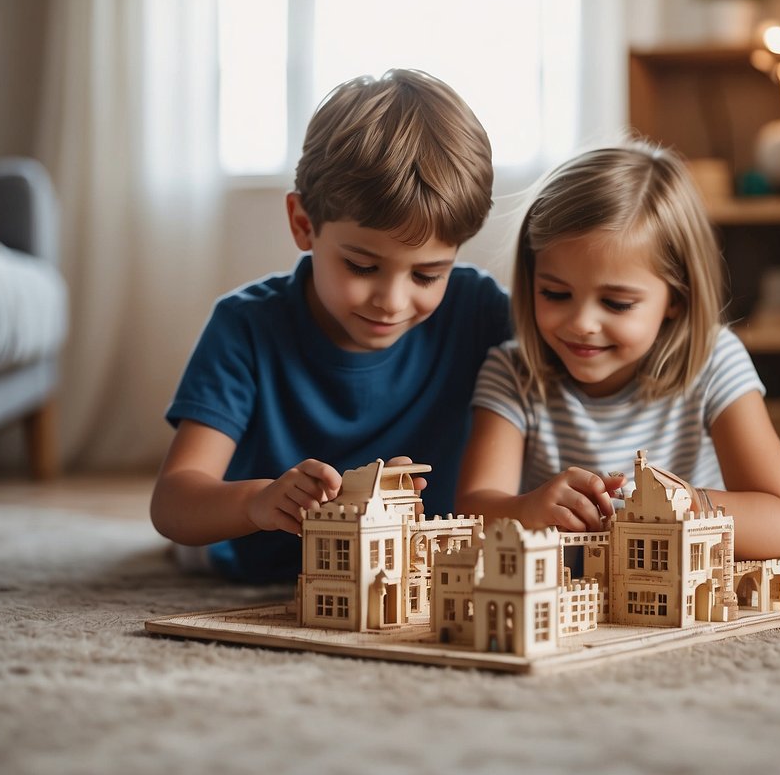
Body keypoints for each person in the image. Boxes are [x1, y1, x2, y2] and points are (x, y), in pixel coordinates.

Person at [151, 69, 511, 582]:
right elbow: (173, 501)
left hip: (409, 574)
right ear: (303, 225)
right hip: (266, 563)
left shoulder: (478, 310)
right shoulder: (246, 326)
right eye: (362, 266)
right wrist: (258, 500)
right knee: (196, 547)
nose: (392, 301)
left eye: (428, 274)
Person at [455, 140, 780, 562]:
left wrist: (688, 504)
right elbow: (472, 514)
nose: (582, 323)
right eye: (555, 293)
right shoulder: (512, 372)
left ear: (675, 297)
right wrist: (528, 510)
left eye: (616, 303)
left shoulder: (714, 362)